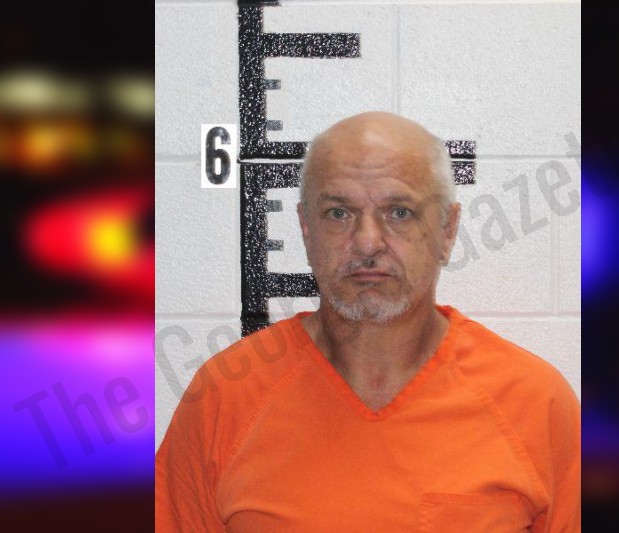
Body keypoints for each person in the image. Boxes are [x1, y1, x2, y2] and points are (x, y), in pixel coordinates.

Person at [156, 112, 580, 532]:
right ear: (306, 229)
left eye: (400, 212)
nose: (367, 242)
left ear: (448, 229)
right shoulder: (225, 397)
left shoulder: (534, 403)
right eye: (339, 213)